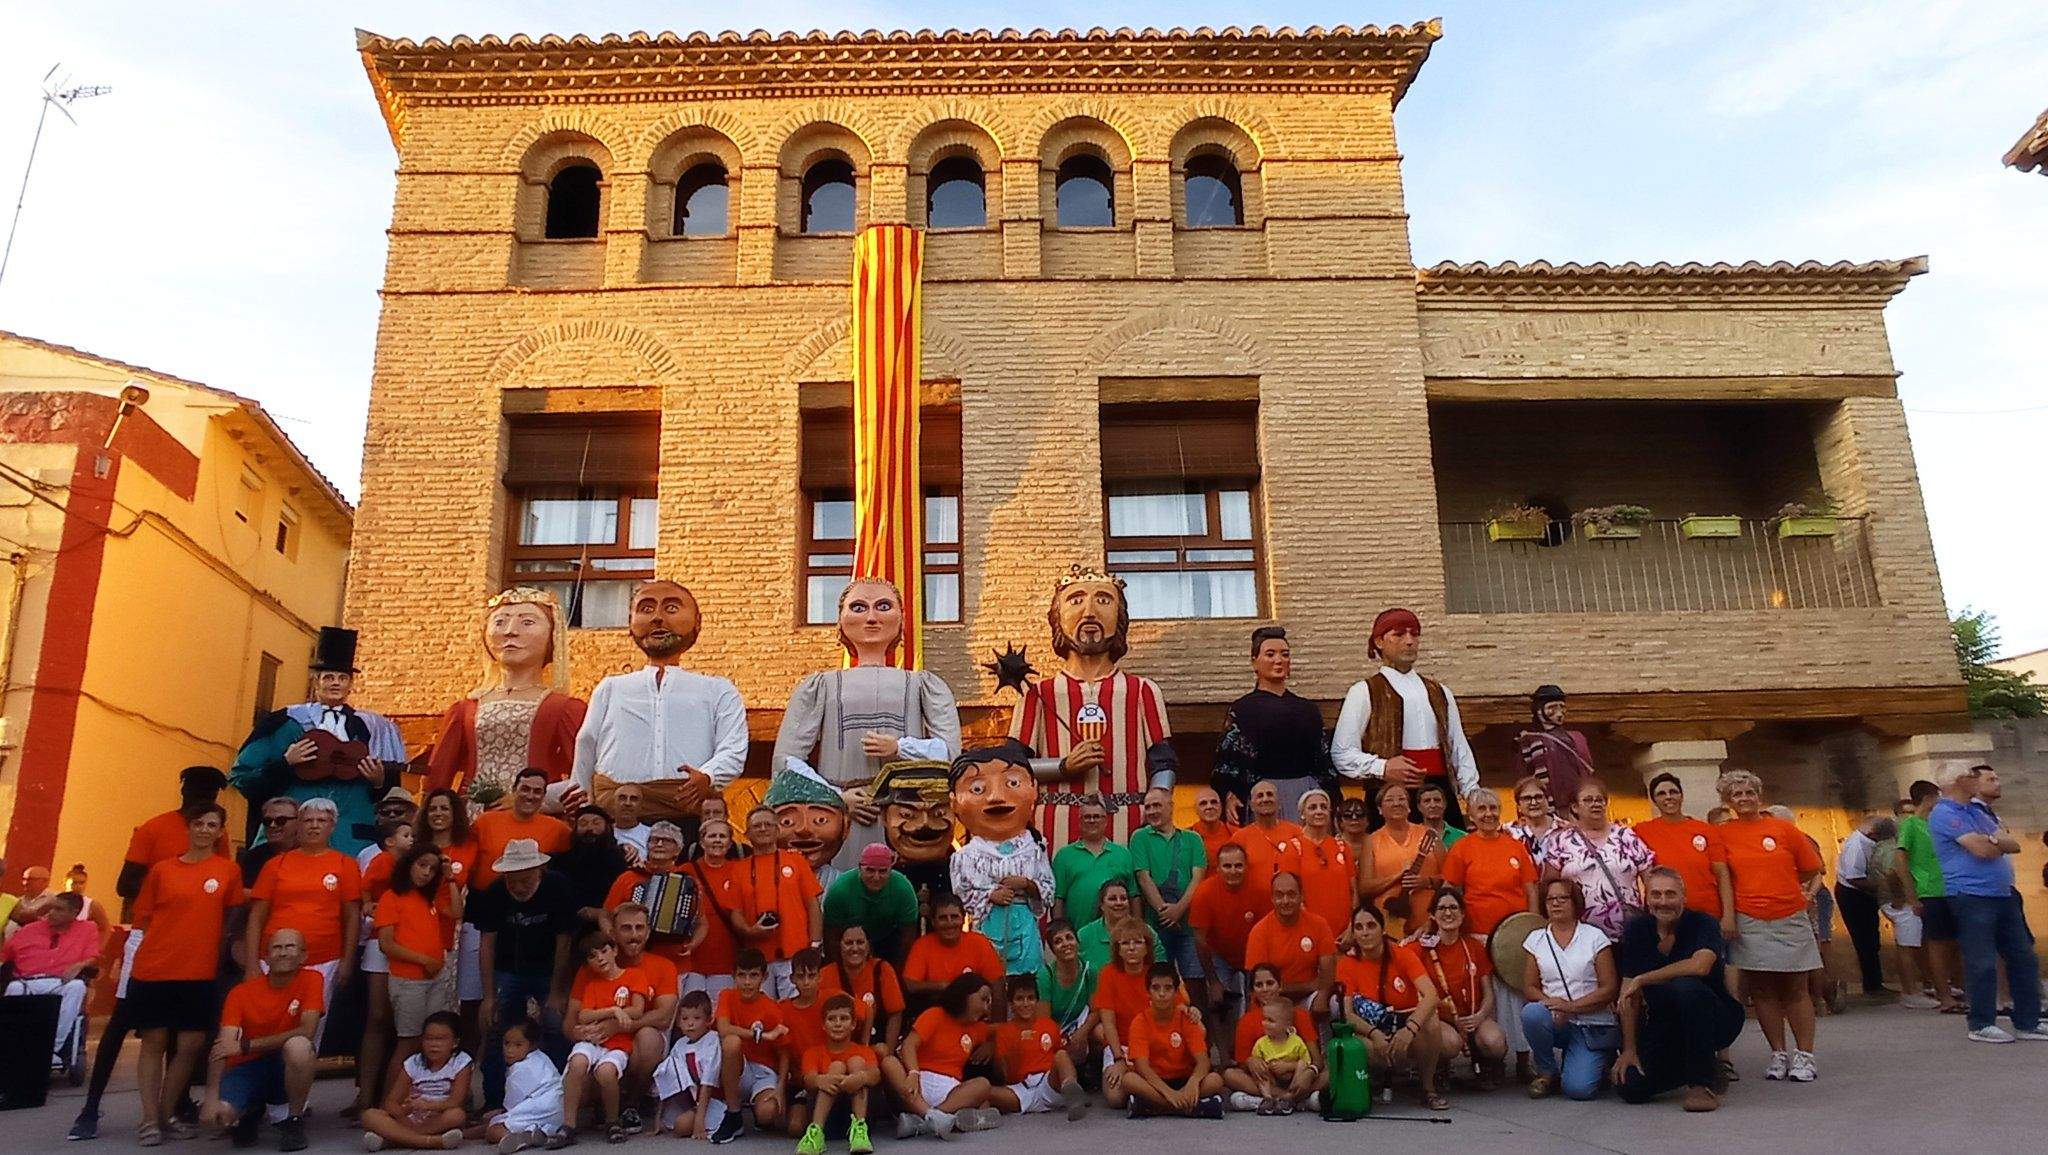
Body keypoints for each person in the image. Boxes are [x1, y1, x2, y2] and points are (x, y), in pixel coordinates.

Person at [70, 767, 234, 1143]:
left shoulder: (219, 840)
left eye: (211, 792)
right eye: (196, 790)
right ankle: (91, 1107)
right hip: (149, 941)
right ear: (183, 790)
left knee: (186, 1039)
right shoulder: (154, 829)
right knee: (123, 1026)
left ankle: (171, 1108)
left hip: (195, 950)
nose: (202, 797)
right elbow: (125, 884)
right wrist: (177, 882)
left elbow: (224, 891)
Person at [774, 577, 962, 876]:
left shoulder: (921, 684)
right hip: (844, 815)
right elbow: (787, 761)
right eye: (859, 607)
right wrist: (835, 798)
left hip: (907, 816)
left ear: (901, 618)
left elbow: (950, 754)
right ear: (841, 620)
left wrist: (901, 748)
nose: (872, 617)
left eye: (883, 607)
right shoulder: (822, 685)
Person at [1007, 566, 1177, 848]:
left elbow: (1163, 759)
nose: (1089, 612)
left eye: (1103, 600)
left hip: (1127, 826)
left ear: (1120, 616)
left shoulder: (1143, 690)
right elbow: (1013, 768)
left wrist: (1160, 790)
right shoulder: (1037, 694)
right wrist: (1064, 767)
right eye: (1075, 601)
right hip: (1056, 829)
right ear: (1057, 617)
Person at [572, 579, 748, 826]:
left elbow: (733, 749)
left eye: (671, 609)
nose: (657, 618)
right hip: (615, 820)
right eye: (646, 609)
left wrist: (708, 776)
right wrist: (580, 805)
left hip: (688, 817)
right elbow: (586, 745)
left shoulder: (718, 690)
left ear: (697, 621)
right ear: (630, 622)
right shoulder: (611, 687)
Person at [125, 803, 245, 1146]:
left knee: (190, 1045)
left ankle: (166, 1114)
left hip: (200, 971)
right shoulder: (162, 870)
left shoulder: (228, 870)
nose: (204, 829)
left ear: (220, 832)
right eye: (199, 823)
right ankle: (149, 1119)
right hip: (155, 967)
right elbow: (142, 918)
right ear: (189, 828)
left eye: (212, 825)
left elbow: (233, 915)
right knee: (154, 1042)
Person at [230, 627, 405, 856]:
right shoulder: (285, 722)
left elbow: (392, 800)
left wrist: (379, 783)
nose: (335, 683)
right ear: (315, 682)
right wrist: (285, 764)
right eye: (328, 677)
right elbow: (242, 777)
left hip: (352, 844)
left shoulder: (374, 728)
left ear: (351, 684)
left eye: (342, 678)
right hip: (293, 842)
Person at [424, 587, 587, 804]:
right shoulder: (465, 709)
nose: (510, 631)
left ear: (552, 635)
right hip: (472, 817)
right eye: (500, 622)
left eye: (527, 622)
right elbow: (438, 776)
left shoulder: (564, 708)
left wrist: (536, 801)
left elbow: (584, 776)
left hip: (534, 815)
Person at [1715, 769, 1824, 1080]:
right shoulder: (1723, 833)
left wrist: (1787, 887)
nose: (1744, 798)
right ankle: (1778, 1052)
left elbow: (1810, 867)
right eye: (1737, 794)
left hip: (1788, 915)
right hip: (1749, 918)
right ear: (1728, 801)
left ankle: (1805, 1055)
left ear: (1759, 796)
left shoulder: (1783, 829)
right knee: (1762, 989)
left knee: (1796, 987)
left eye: (1749, 792)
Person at [1929, 763, 2047, 1043]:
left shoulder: (1977, 811)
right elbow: (1982, 850)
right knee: (1981, 961)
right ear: (1959, 781)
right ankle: (1981, 1023)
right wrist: (1993, 841)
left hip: (2003, 893)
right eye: (1972, 776)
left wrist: (1993, 840)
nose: (1977, 780)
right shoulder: (1945, 813)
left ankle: (2028, 1022)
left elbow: (2012, 844)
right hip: (1971, 895)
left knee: (2023, 957)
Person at [1331, 607, 1479, 829]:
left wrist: (1472, 793)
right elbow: (1341, 753)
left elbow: (1458, 747)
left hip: (1439, 796)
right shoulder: (1364, 691)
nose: (1409, 641)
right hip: (1389, 797)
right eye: (1399, 634)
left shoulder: (1440, 692)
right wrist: (1383, 767)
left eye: (1414, 634)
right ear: (1379, 641)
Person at [1612, 867, 1746, 1112]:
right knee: (1630, 1087)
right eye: (1656, 894)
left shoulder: (1703, 923)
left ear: (1684, 897)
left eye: (1670, 894)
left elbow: (1700, 966)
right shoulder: (1637, 929)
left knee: (1686, 987)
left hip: (1714, 1016)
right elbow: (1628, 994)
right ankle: (1698, 1065)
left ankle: (1700, 1083)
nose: (1663, 902)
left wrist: (1644, 978)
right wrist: (1629, 1049)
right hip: (1667, 1022)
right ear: (1647, 898)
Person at [468, 838, 577, 1111]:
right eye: (512, 880)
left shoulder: (559, 887)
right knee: (498, 1029)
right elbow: (487, 943)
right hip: (508, 967)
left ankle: (559, 1098)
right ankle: (493, 1100)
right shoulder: (495, 892)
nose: (518, 887)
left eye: (525, 880)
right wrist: (488, 996)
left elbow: (564, 942)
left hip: (548, 968)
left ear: (539, 871)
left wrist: (558, 992)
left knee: (556, 1026)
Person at [245, 797, 362, 1045]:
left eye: (322, 821)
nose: (314, 826)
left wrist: (348, 960)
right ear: (298, 824)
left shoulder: (346, 865)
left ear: (333, 826)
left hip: (324, 960)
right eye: (308, 820)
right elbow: (257, 915)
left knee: (309, 1032)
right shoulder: (275, 865)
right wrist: (252, 962)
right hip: (272, 958)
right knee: (266, 1025)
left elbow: (352, 916)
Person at [202, 928, 323, 1153]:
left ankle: (294, 1120)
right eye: (276, 948)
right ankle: (248, 1112)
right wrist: (210, 1097)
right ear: (266, 958)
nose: (283, 953)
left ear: (303, 956)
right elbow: (224, 1046)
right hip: (245, 1067)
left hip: (281, 1065)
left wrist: (246, 1045)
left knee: (299, 1046)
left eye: (290, 947)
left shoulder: (312, 980)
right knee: (220, 1117)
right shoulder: (240, 993)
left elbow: (308, 1030)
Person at [946, 743, 1053, 975]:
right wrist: (989, 895)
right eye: (977, 788)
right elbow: (959, 896)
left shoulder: (1034, 848)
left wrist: (1027, 884)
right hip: (987, 927)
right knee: (989, 978)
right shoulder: (966, 856)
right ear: (954, 801)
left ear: (1034, 790)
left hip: (1025, 927)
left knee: (1027, 983)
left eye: (1012, 783)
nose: (996, 797)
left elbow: (1048, 890)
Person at [1212, 625, 1331, 821]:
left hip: (1306, 796)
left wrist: (1330, 796)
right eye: (1270, 654)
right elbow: (1227, 761)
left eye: (1285, 654)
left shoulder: (1308, 709)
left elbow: (1323, 760)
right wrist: (1229, 794)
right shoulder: (1243, 709)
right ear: (1254, 662)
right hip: (1262, 796)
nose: (1279, 660)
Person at [1335, 902, 1446, 1109]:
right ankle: (1375, 1078)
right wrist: (1375, 1034)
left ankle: (1428, 1088)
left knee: (1432, 1021)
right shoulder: (1346, 964)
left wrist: (1410, 1029)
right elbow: (1347, 1014)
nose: (1365, 933)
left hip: (1404, 1024)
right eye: (1359, 927)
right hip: (1370, 1031)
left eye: (1371, 926)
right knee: (1357, 1045)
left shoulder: (1402, 954)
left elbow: (1431, 995)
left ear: (1383, 929)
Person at [1521, 878, 1620, 1101]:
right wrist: (1552, 1005)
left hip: (1590, 1023)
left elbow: (1609, 988)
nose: (1556, 903)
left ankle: (1597, 1058)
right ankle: (1547, 1071)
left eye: (1562, 898)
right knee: (1532, 1013)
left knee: (1579, 1090)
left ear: (1575, 902)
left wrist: (1570, 1007)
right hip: (1555, 1019)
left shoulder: (1595, 937)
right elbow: (1529, 987)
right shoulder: (1536, 939)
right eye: (1550, 899)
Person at [562, 930, 654, 1145]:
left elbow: (637, 1010)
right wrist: (613, 1010)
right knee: (577, 1062)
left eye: (604, 951)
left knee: (606, 1072)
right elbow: (583, 1015)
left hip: (618, 1044)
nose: (600, 958)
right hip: (592, 1041)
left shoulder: (634, 976)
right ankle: (568, 1125)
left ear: (615, 951)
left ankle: (612, 1121)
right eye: (593, 956)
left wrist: (611, 1015)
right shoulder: (592, 985)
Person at [883, 973, 999, 1138]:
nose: (986, 1008)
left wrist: (991, 1044)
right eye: (983, 999)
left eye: (989, 1003)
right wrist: (913, 1074)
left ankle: (927, 1120)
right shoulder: (935, 1014)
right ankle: (936, 1118)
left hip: (950, 1091)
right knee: (889, 1062)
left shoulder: (978, 1028)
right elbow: (909, 1045)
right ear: (966, 994)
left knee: (983, 1085)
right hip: (918, 1085)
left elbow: (1004, 1030)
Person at [1416, 885, 1508, 1087]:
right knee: (1451, 1044)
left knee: (1494, 1041)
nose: (1448, 913)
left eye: (1453, 907)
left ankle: (1487, 1064)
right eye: (1441, 908)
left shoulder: (1474, 947)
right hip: (1441, 1019)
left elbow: (1488, 993)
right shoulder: (1422, 949)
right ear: (1432, 915)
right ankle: (1438, 1066)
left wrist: (1479, 1016)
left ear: (1463, 913)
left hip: (1472, 1017)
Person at [1540, 779, 1655, 939]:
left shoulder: (1625, 836)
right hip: (1581, 934)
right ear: (1575, 807)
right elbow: (1550, 885)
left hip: (1630, 931)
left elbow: (1650, 879)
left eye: (1599, 800)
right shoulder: (1561, 841)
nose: (1595, 804)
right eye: (1588, 800)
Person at [0, 892, 102, 1072]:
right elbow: (4, 956)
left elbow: (93, 957)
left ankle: (52, 1047)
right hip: (27, 981)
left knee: (77, 987)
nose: (51, 913)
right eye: (51, 908)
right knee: (14, 988)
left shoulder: (87, 929)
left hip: (61, 982)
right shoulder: (29, 930)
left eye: (59, 909)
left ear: (74, 913)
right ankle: (10, 1046)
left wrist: (80, 964)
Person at [602, 903, 682, 1132]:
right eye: (626, 928)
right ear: (613, 933)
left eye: (639, 928)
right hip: (605, 1041)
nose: (634, 935)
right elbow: (572, 1022)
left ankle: (631, 1103)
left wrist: (620, 1026)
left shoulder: (664, 966)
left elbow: (664, 1017)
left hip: (642, 1043)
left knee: (648, 1037)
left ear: (648, 932)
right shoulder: (599, 963)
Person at [1092, 918, 1186, 1111]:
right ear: (1117, 949)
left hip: (1154, 1045)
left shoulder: (1158, 973)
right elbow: (1108, 1022)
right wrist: (1119, 1059)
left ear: (1147, 947)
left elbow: (1181, 1007)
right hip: (1122, 1046)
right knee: (1115, 1098)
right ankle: (1175, 1104)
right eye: (1125, 943)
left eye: (1137, 942)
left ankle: (1152, 1101)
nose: (1132, 948)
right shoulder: (1107, 974)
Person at [735, 805, 826, 998]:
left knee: (795, 1008)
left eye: (768, 824)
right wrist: (750, 931)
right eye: (757, 825)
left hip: (795, 954)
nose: (763, 829)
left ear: (778, 830)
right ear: (747, 834)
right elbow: (735, 913)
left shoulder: (797, 861)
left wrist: (815, 946)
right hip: (757, 959)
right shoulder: (738, 869)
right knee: (762, 1011)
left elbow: (813, 905)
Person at [1130, 786, 1208, 991]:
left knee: (1195, 982)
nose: (1152, 811)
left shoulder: (1193, 839)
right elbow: (1143, 877)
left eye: (1157, 805)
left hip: (1189, 926)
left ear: (1171, 807)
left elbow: (1198, 878)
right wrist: (1165, 913)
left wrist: (1178, 910)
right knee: (1157, 982)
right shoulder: (1139, 837)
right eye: (1148, 807)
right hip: (1155, 926)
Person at [602, 821, 706, 973]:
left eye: (667, 840)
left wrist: (692, 944)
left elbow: (702, 923)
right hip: (631, 963)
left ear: (678, 850)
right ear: (647, 846)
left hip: (675, 962)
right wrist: (614, 940)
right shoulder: (628, 877)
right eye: (654, 840)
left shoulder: (689, 883)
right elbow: (605, 915)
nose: (659, 844)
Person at [1123, 963, 1224, 1118]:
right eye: (1156, 988)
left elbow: (1203, 1060)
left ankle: (1156, 1108)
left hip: (1185, 1078)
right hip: (1155, 1082)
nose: (1162, 994)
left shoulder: (1187, 1018)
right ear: (1148, 992)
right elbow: (1142, 1067)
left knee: (1215, 1080)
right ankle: (1190, 1107)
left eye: (1168, 988)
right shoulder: (1140, 1021)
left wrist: (1193, 1082)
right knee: (1129, 1080)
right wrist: (1169, 1094)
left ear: (1176, 992)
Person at [360, 1010, 470, 1150]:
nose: (434, 1044)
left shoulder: (461, 1061)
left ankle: (395, 1139)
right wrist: (403, 1113)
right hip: (411, 1117)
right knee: (369, 1116)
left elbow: (456, 1101)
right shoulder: (413, 1062)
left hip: (439, 1117)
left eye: (441, 1039)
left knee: (456, 1115)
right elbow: (391, 1102)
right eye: (429, 1039)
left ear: (455, 1043)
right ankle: (431, 1141)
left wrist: (429, 1105)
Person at [1894, 779, 1960, 1011]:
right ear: (1929, 798)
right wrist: (1911, 895)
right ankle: (1944, 995)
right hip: (1930, 890)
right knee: (1937, 943)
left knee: (1956, 943)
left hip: (1953, 887)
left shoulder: (1941, 823)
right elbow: (1900, 859)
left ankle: (1958, 987)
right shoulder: (1911, 825)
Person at [1187, 842, 1269, 1026]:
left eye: (1238, 866)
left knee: (1260, 1000)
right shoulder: (1204, 893)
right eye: (1227, 866)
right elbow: (1200, 940)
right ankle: (1223, 1045)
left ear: (1246, 866)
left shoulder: (1261, 889)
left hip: (1253, 954)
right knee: (1216, 1002)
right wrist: (1213, 981)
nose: (1233, 871)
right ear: (1217, 868)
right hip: (1219, 954)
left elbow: (1268, 931)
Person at [1632, 773, 1733, 921]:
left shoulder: (1706, 830)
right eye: (1661, 794)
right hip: (1665, 916)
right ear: (1654, 801)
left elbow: (1722, 874)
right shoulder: (1641, 831)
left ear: (1681, 796)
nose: (1668, 797)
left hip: (1707, 914)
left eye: (1673, 792)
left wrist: (1729, 916)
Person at [1222, 965, 1321, 1114]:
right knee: (1230, 1075)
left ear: (1280, 986)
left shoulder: (1300, 1015)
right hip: (1269, 1080)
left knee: (1330, 1073)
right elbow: (1242, 1065)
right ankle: (1292, 1100)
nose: (1265, 989)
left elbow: (1316, 1060)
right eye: (1259, 985)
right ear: (1253, 991)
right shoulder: (1246, 1021)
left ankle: (1265, 1101)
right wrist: (1251, 1062)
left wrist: (1309, 1073)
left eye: (1270, 983)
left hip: (1298, 1077)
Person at [988, 975, 1088, 1120]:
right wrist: (1016, 1047)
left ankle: (1072, 1092)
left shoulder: (1049, 1025)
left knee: (1061, 1055)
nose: (1025, 1004)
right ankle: (981, 1115)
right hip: (1020, 1090)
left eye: (1030, 998)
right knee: (985, 1091)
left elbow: (1063, 1060)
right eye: (1019, 999)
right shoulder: (1004, 1031)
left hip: (1048, 1084)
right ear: (1011, 1004)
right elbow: (1006, 1074)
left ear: (1037, 1001)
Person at [796, 992, 883, 1153]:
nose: (838, 1024)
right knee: (836, 1066)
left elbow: (875, 1074)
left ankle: (859, 1129)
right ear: (823, 1024)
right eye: (832, 1019)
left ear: (853, 1024)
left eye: (843, 1019)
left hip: (856, 1109)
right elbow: (808, 1079)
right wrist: (822, 1080)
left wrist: (859, 1078)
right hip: (827, 1115)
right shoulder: (813, 1052)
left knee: (856, 1062)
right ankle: (816, 1131)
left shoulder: (864, 1051)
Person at [1359, 781, 1441, 934]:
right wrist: (1396, 877)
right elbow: (1364, 889)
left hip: (1429, 924)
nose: (1396, 803)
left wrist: (1427, 882)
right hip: (1390, 925)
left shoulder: (1428, 834)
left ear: (1409, 806)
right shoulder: (1371, 841)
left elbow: (1450, 879)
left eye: (1401, 799)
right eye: (1390, 800)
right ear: (1379, 809)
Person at [1243, 872, 1335, 1007]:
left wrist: (1322, 997)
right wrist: (1308, 985)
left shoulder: (1319, 924)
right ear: (1272, 898)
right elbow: (1261, 986)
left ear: (1302, 896)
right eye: (1279, 895)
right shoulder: (1259, 932)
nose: (1285, 901)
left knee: (1333, 1004)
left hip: (1310, 997)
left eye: (1291, 894)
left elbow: (1328, 974)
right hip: (1273, 1000)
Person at [821, 844, 920, 969]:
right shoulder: (840, 890)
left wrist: (897, 971)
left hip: (888, 939)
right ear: (859, 868)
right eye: (870, 870)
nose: (876, 877)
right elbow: (831, 938)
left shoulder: (903, 888)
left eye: (882, 871)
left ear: (891, 869)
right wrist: (838, 971)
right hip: (849, 939)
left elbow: (907, 938)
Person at [472, 769, 572, 891]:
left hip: (534, 898)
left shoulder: (559, 829)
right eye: (525, 789)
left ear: (544, 795)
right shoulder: (485, 821)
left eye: (537, 791)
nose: (530, 796)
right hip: (484, 897)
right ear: (514, 790)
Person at [678, 819, 744, 1001]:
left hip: (726, 961)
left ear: (730, 843)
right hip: (691, 960)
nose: (717, 840)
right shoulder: (685, 871)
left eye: (722, 836)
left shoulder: (739, 871)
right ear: (701, 842)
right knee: (690, 1012)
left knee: (720, 1012)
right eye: (712, 835)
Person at [1833, 814, 1898, 998]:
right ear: (1874, 835)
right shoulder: (1858, 845)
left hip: (1862, 893)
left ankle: (1874, 982)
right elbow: (1854, 877)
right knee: (1865, 941)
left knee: (1871, 940)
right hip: (1854, 895)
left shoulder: (1865, 841)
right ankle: (1872, 985)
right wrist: (1881, 888)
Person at [1051, 795, 1137, 928]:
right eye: (1087, 817)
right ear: (1080, 821)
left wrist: (1136, 928)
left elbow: (1134, 896)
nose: (1092, 820)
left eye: (1096, 817)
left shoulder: (1123, 854)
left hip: (1117, 934)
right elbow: (1058, 898)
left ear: (1105, 821)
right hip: (1077, 933)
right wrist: (1059, 930)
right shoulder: (1064, 856)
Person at [1277, 788, 1353, 935]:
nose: (1319, 811)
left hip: (1344, 932)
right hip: (1308, 930)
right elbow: (1290, 894)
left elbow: (1353, 891)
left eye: (1323, 807)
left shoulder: (1342, 846)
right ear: (1302, 814)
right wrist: (1311, 929)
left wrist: (1352, 926)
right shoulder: (1293, 848)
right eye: (1312, 807)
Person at [902, 892, 1004, 1000]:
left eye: (954, 917)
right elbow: (910, 985)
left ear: (963, 919)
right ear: (933, 922)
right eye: (943, 918)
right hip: (936, 1005)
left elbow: (996, 985)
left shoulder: (979, 943)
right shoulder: (922, 945)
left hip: (972, 1007)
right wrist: (944, 986)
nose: (949, 923)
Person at [651, 992, 723, 1142]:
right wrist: (658, 1118)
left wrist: (699, 1120)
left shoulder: (712, 1040)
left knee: (681, 1126)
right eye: (685, 1019)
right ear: (678, 1022)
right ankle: (688, 1115)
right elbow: (666, 1078)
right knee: (674, 1122)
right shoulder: (680, 1044)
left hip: (713, 1100)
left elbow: (708, 1081)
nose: (690, 1023)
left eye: (697, 1018)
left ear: (709, 1020)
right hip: (689, 1099)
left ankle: (703, 1118)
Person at [820, 923, 906, 1050]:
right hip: (838, 1047)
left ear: (868, 946)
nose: (855, 948)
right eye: (849, 943)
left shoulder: (882, 970)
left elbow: (895, 1014)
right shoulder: (825, 974)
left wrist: (889, 1051)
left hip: (876, 1044)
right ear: (839, 946)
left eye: (860, 942)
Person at [1514, 685, 1594, 819]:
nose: (1559, 713)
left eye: (1562, 707)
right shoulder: (1529, 740)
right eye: (1552, 708)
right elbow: (1526, 776)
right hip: (1548, 807)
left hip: (1576, 804)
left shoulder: (1577, 737)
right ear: (1539, 711)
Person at [483, 1019, 563, 1153]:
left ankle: (519, 1138)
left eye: (518, 1045)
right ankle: (538, 1134)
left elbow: (512, 1106)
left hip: (540, 1107)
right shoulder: (542, 1058)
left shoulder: (519, 1069)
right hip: (559, 1110)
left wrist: (498, 1114)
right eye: (506, 1043)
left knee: (493, 1130)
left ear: (532, 1045)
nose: (510, 1050)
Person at [1224, 779, 1302, 898]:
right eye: (1260, 796)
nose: (1265, 799)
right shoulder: (1240, 838)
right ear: (1251, 805)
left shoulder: (1297, 832)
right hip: (1253, 903)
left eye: (1269, 794)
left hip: (1289, 902)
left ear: (1279, 803)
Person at [560, 805, 632, 930]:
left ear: (607, 828)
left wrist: (601, 914)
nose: (590, 828)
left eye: (596, 823)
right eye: (583, 824)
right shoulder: (561, 862)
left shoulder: (621, 858)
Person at [1033, 920, 1096, 1062]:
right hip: (1053, 1032)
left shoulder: (1089, 972)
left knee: (1100, 1033)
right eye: (1058, 941)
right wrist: (1063, 1041)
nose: (1066, 944)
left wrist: (1081, 1033)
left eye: (1069, 938)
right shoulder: (1045, 976)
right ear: (1052, 949)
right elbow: (1044, 1021)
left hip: (1078, 1028)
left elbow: (1096, 1011)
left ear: (1077, 941)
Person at [1073, 878, 1162, 969]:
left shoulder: (1147, 932)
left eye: (1123, 898)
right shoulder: (1084, 935)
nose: (1119, 903)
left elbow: (1160, 970)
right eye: (1112, 899)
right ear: (1101, 905)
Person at [1506, 776, 1562, 870]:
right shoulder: (1507, 833)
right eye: (1527, 798)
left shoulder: (1568, 830)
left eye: (1538, 797)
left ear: (1547, 800)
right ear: (1518, 806)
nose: (1533, 802)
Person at [1190, 787, 1236, 867]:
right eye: (1203, 803)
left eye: (1214, 802)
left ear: (1221, 807)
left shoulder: (1236, 834)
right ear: (1195, 809)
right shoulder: (1186, 837)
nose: (1209, 806)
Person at [609, 784, 651, 865]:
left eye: (634, 799)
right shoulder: (603, 833)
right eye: (622, 798)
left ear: (641, 806)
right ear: (613, 804)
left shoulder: (651, 834)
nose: (628, 803)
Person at [1418, 783, 1466, 849]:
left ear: (1445, 804)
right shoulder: (1412, 836)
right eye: (1427, 801)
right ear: (1419, 807)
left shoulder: (1463, 837)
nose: (1433, 805)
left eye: (1437, 800)